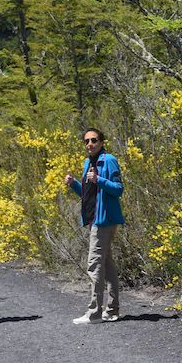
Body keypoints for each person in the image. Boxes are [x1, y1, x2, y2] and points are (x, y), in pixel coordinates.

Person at [63, 128, 125, 324]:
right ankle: (112, 311)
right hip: (94, 219)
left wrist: (99, 180)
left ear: (101, 141)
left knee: (94, 264)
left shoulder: (109, 160)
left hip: (104, 220)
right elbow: (89, 195)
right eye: (87, 141)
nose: (90, 144)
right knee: (106, 264)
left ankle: (94, 313)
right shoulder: (87, 163)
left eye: (94, 140)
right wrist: (74, 184)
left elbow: (118, 189)